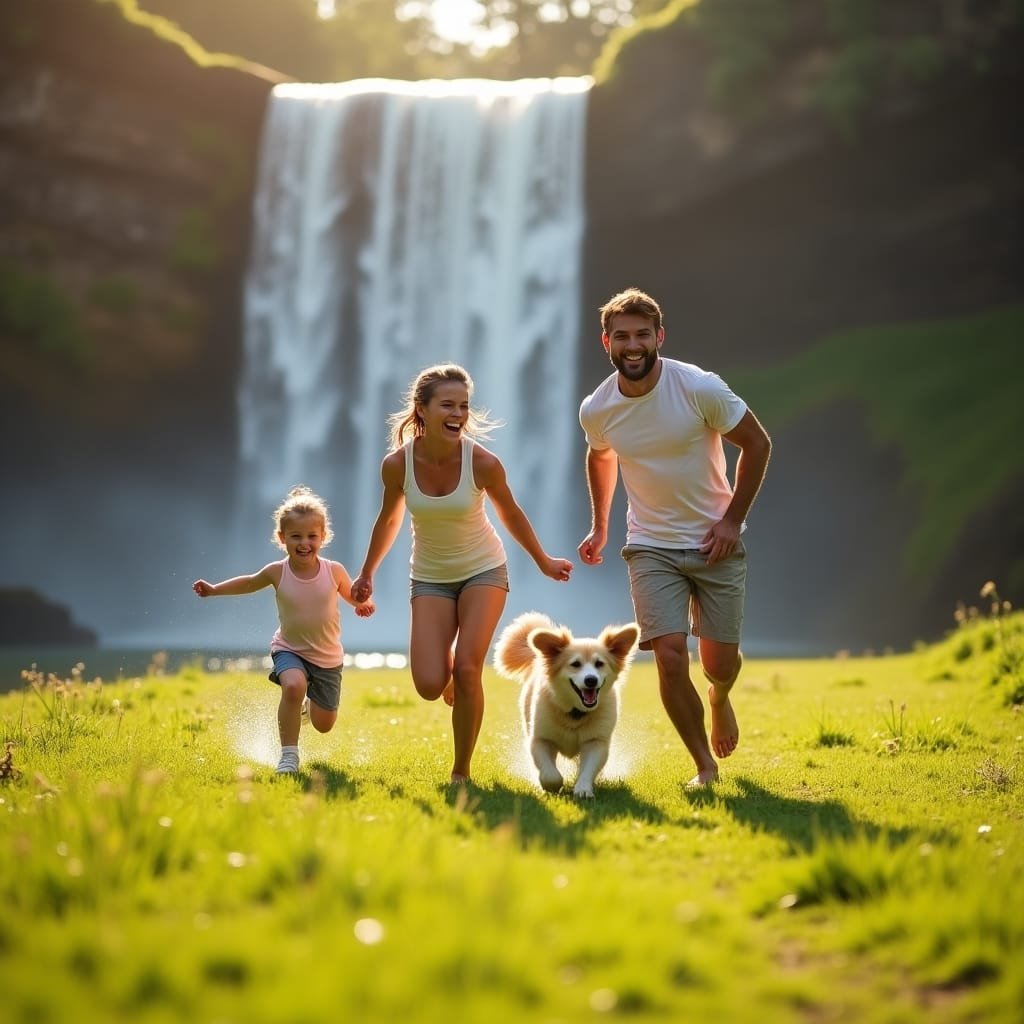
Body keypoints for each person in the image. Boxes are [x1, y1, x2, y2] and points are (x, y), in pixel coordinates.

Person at [577, 287, 772, 788]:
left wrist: (731, 522)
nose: (633, 345)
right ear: (607, 343)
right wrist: (600, 526)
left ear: (659, 336)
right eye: (622, 336)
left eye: (643, 334)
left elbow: (757, 443)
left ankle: (720, 696)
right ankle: (703, 766)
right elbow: (601, 456)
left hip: (716, 542)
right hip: (649, 546)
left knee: (719, 663)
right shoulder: (598, 408)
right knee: (667, 655)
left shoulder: (698, 387)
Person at [351, 363, 574, 785]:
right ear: (422, 410)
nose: (458, 414)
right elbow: (389, 521)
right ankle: (448, 663)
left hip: (483, 569)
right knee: (430, 683)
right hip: (430, 576)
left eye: (464, 406)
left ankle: (461, 772)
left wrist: (543, 560)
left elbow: (510, 512)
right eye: (447, 405)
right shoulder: (397, 465)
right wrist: (367, 573)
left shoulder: (484, 462)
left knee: (469, 670)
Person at [193, 485, 374, 775]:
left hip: (327, 657)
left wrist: (361, 603)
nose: (304, 543)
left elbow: (351, 593)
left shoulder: (333, 570)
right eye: (296, 536)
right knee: (293, 686)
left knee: (324, 724)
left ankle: (305, 708)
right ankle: (289, 756)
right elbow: (249, 582)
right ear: (282, 538)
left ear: (323, 537)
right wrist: (215, 590)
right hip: (289, 648)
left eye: (312, 536)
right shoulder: (278, 571)